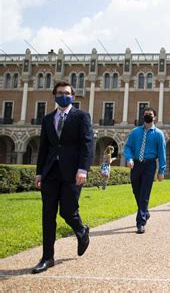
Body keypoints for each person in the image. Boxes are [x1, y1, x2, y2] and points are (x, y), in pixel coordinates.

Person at [32, 81, 93, 274]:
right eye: (59, 93)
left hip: (73, 172)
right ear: (54, 96)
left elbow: (87, 144)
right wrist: (39, 172)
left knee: (67, 211)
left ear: (73, 97)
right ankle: (47, 257)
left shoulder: (81, 116)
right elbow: (43, 148)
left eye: (67, 93)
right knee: (47, 215)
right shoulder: (48, 119)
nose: (63, 96)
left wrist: (83, 169)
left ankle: (81, 231)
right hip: (50, 172)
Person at [124, 107, 166, 234]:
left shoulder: (159, 134)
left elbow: (162, 153)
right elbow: (127, 147)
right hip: (136, 164)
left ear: (155, 118)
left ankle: (140, 222)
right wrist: (129, 158)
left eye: (150, 114)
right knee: (136, 191)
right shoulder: (135, 132)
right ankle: (145, 212)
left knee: (144, 193)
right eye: (146, 114)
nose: (148, 116)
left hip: (149, 165)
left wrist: (161, 171)